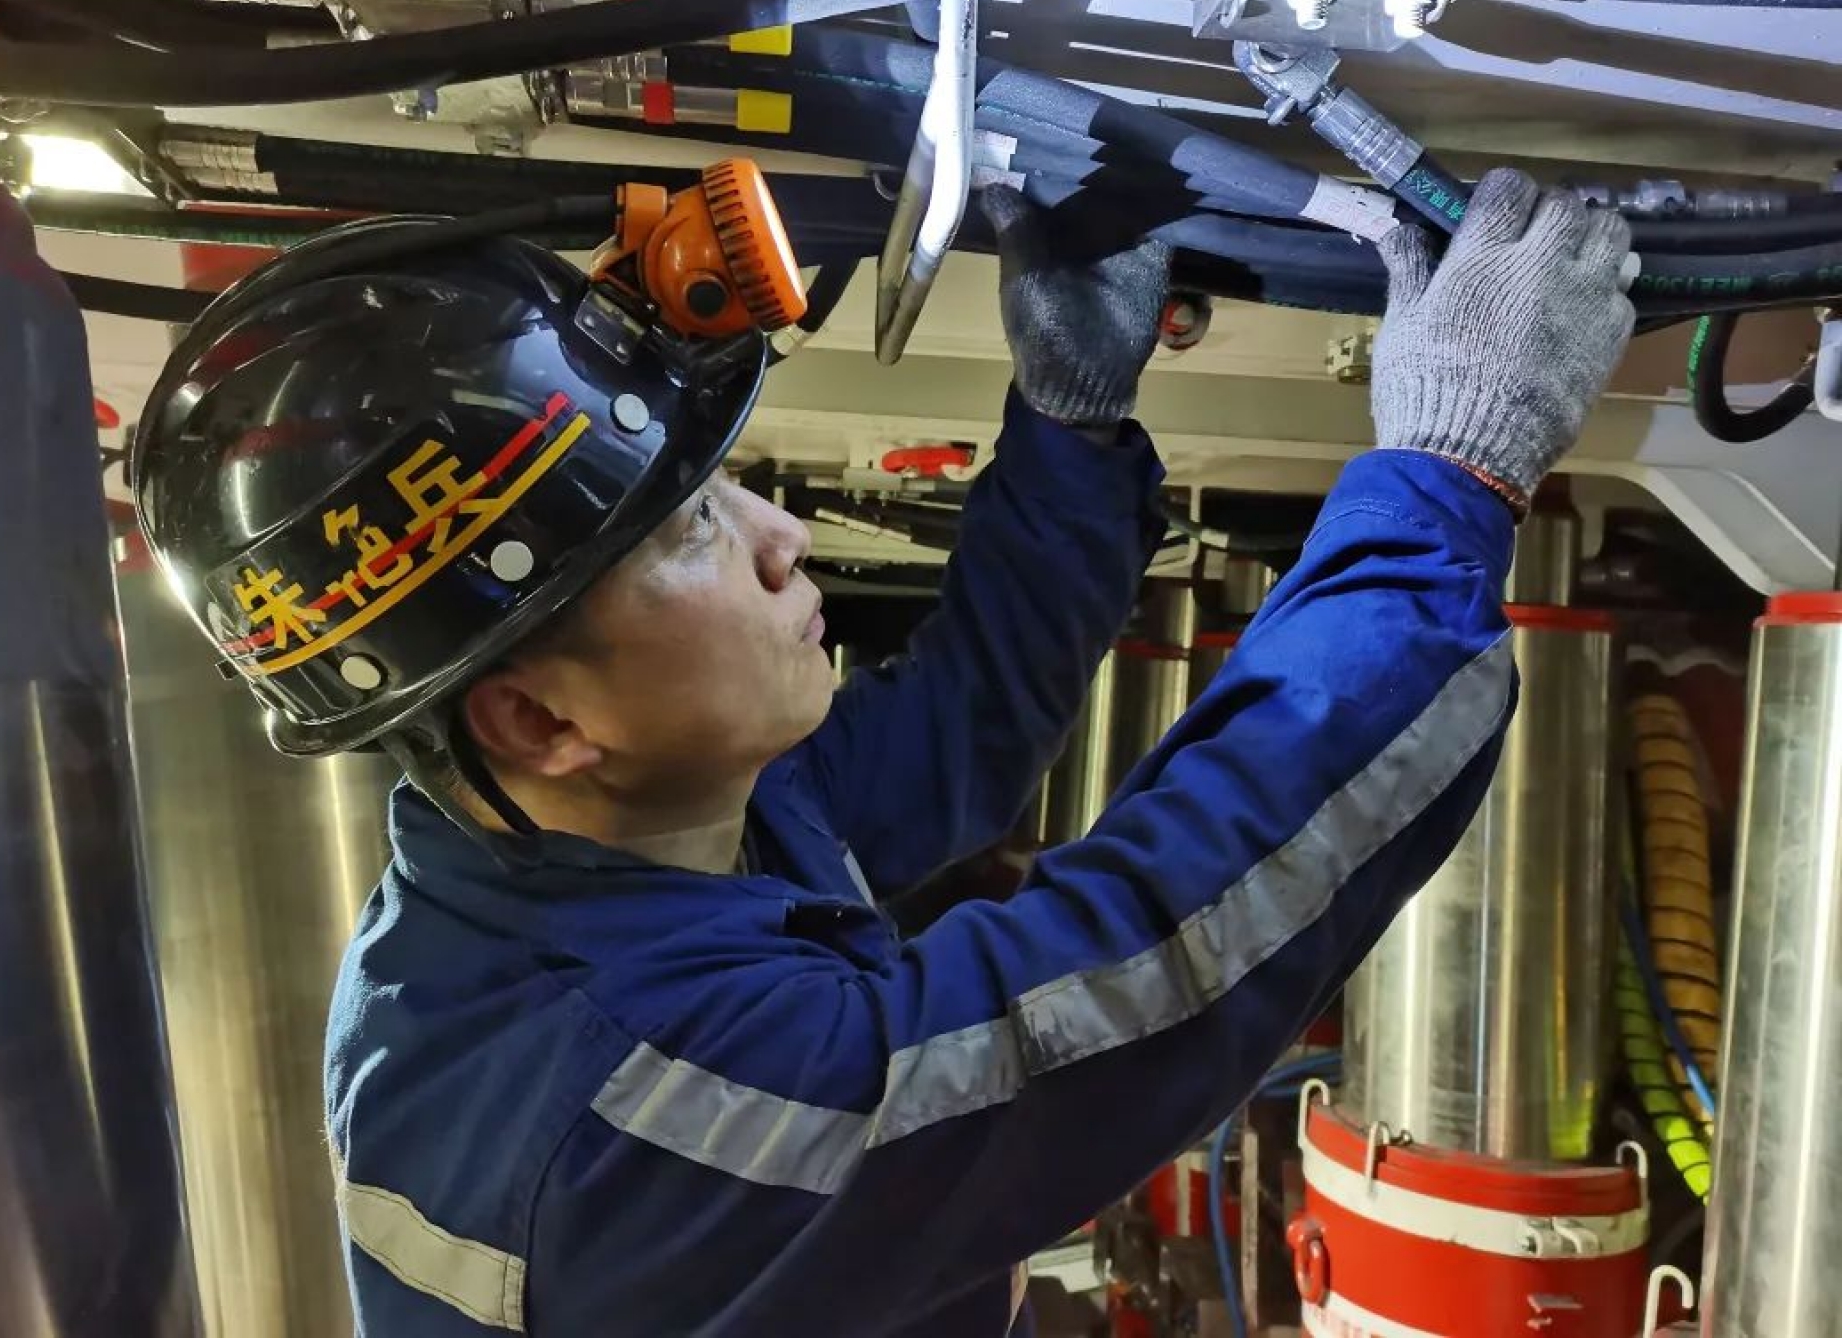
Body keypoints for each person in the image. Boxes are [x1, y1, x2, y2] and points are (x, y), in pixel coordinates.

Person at [132, 167, 1634, 1337]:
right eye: (692, 532)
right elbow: (1150, 968)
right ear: (542, 720)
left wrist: (1069, 422)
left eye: (726, 485)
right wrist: (1447, 473)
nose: (783, 536)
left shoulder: (601, 851)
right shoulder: (641, 1113)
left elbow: (960, 734)